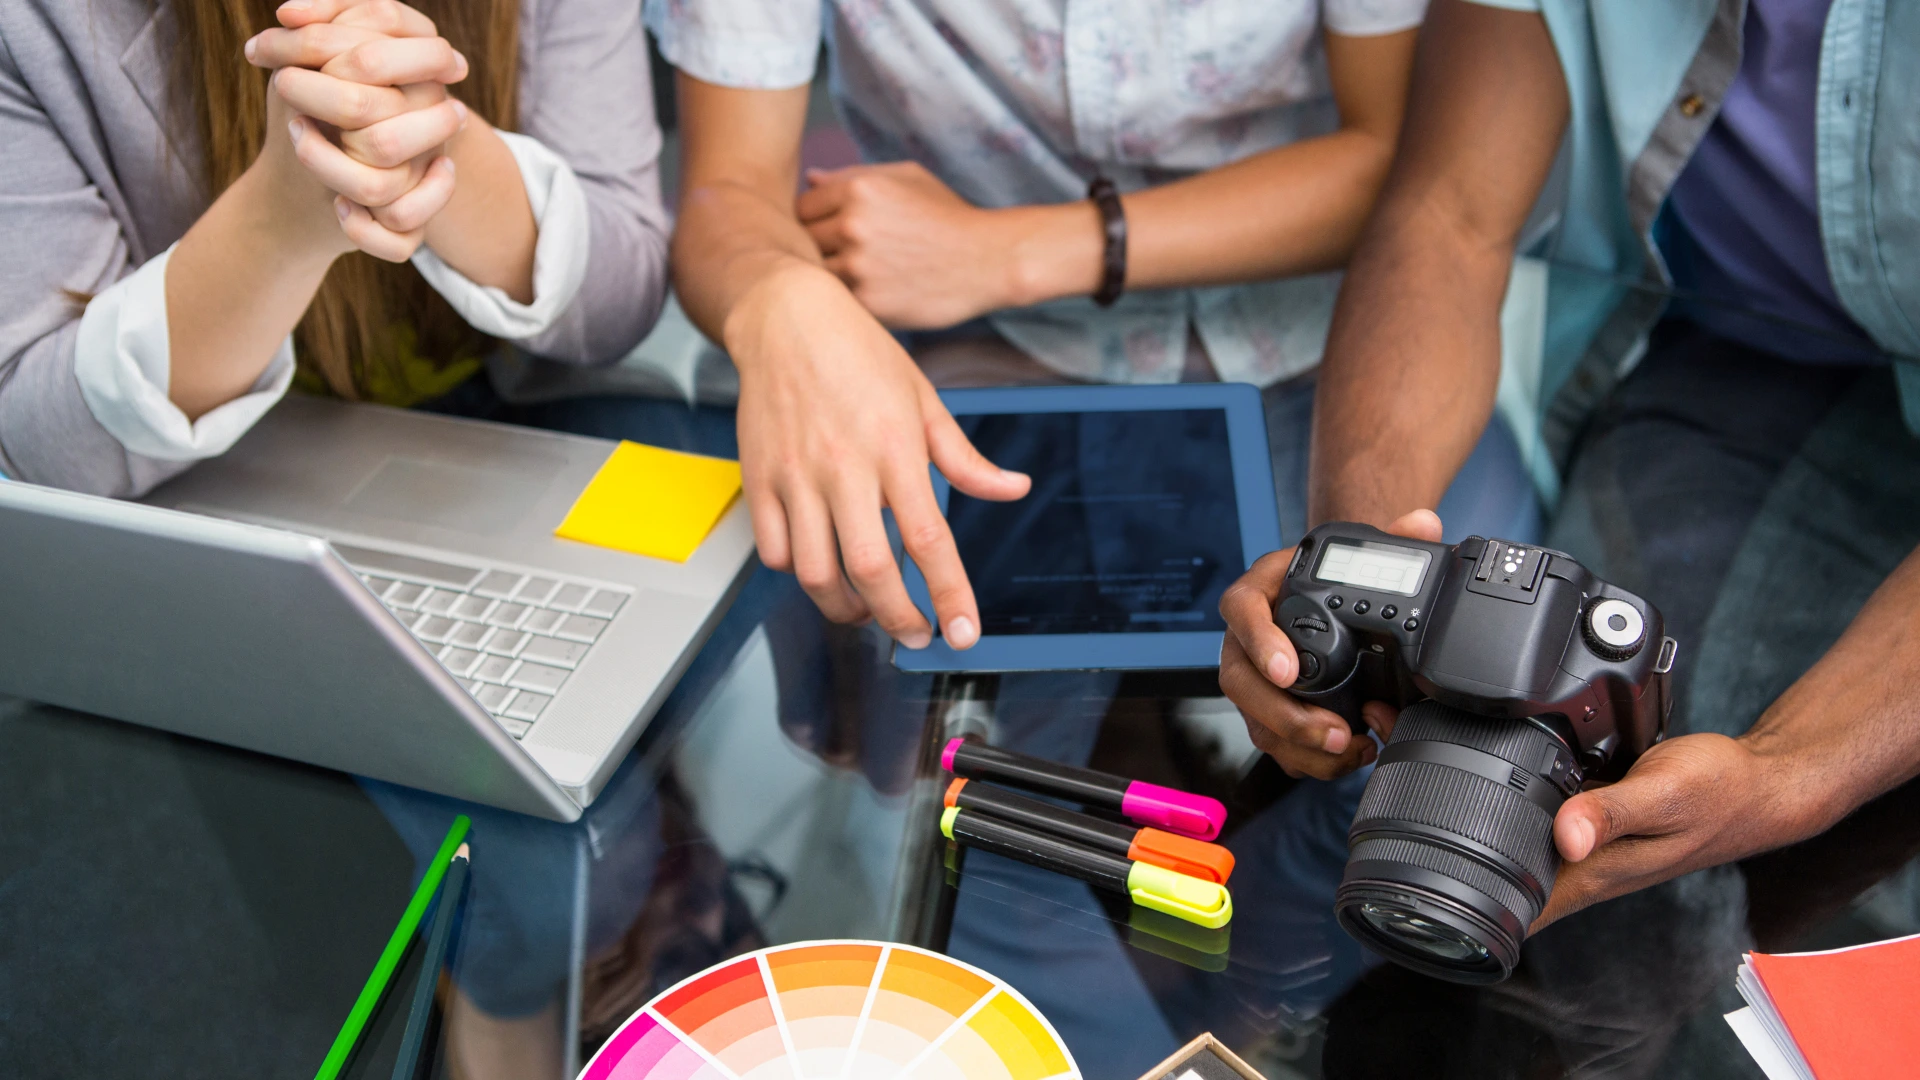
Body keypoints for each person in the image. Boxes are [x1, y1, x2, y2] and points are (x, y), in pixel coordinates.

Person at [1217, 0, 1920, 931]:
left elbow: (1784, 780)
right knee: (1611, 835)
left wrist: (1791, 776)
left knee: (1749, 904)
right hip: (1703, 351)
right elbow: (1450, 216)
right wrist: (1371, 578)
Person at [646, 0, 1542, 658]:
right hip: (993, 369)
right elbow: (729, 191)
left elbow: (1403, 161)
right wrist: (781, 297)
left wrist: (1009, 253)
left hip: (1336, 352)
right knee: (956, 781)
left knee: (1442, 724)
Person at [0, 0, 672, 497]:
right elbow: (40, 451)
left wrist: (436, 142)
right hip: (204, 486)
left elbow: (623, 300)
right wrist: (279, 220)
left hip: (518, 426)